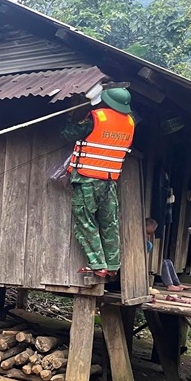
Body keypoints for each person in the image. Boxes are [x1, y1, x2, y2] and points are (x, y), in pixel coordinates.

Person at [62, 87, 136, 278]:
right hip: (109, 180)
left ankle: (97, 264)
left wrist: (70, 117)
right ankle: (112, 265)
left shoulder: (97, 117)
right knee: (109, 222)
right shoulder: (130, 122)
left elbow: (68, 133)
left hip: (87, 179)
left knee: (85, 221)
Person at [145, 217, 189, 291]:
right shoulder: (143, 241)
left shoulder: (147, 242)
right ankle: (170, 285)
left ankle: (177, 283)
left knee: (168, 261)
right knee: (163, 263)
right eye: (147, 233)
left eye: (150, 234)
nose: (148, 235)